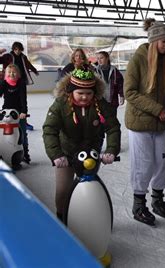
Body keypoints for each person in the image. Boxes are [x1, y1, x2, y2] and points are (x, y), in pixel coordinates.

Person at [42, 67, 121, 222]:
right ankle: (62, 218)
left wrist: (111, 150)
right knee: (63, 190)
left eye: (88, 93)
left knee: (90, 188)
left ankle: (91, 219)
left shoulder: (101, 104)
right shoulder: (61, 104)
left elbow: (113, 128)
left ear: (94, 92)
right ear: (71, 91)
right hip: (67, 154)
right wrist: (57, 155)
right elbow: (49, 130)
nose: (84, 97)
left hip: (90, 156)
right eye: (80, 93)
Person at [124, 18, 165, 226]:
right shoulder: (138, 59)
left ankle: (157, 200)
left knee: (160, 163)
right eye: (163, 41)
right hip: (140, 124)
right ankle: (139, 204)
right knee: (142, 165)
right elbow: (129, 92)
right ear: (154, 41)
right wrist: (157, 109)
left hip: (160, 125)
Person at [0, 42, 39, 132]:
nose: (17, 51)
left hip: (20, 80)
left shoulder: (23, 57)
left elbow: (28, 64)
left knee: (21, 99)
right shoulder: (8, 56)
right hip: (8, 80)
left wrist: (34, 70)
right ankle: (7, 120)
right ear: (13, 49)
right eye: (15, 49)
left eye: (19, 49)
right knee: (9, 99)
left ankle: (23, 120)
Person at [0, 64, 28, 170]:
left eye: (14, 72)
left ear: (18, 74)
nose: (12, 74)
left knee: (22, 133)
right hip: (6, 111)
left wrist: (24, 111)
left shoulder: (21, 83)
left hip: (19, 112)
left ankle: (25, 153)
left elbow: (23, 98)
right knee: (2, 133)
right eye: (9, 72)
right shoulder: (4, 83)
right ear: (6, 74)